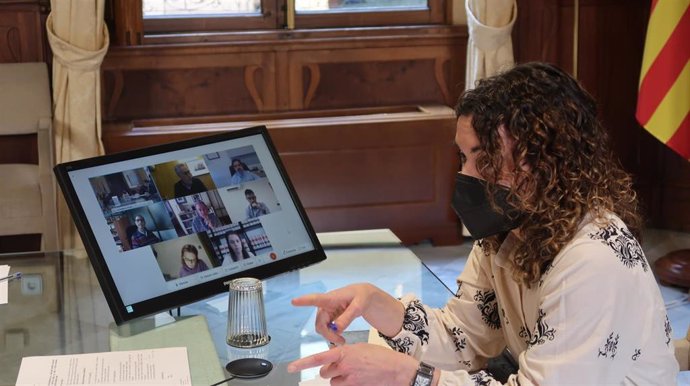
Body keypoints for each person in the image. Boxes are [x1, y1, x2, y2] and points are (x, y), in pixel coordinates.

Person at [286, 63, 678, 385]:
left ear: (546, 162)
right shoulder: (510, 228)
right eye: (463, 158)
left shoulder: (593, 259)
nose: (467, 176)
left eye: (485, 161)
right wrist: (376, 304)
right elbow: (466, 337)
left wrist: (412, 377)